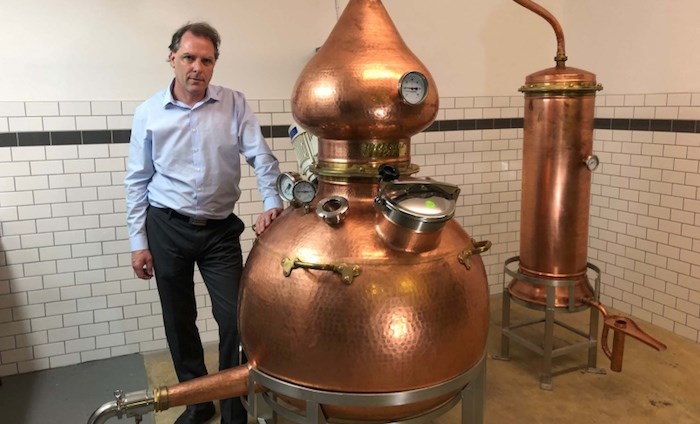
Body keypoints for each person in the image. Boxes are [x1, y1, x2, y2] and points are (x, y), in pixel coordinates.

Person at [125, 22, 283, 424]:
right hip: (167, 227)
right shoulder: (149, 113)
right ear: (172, 58)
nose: (198, 67)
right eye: (189, 57)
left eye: (206, 60)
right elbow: (137, 181)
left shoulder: (234, 103)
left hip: (218, 232)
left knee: (235, 320)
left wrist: (272, 203)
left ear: (214, 64)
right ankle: (198, 403)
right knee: (179, 321)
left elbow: (262, 159)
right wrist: (138, 241)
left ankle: (234, 410)